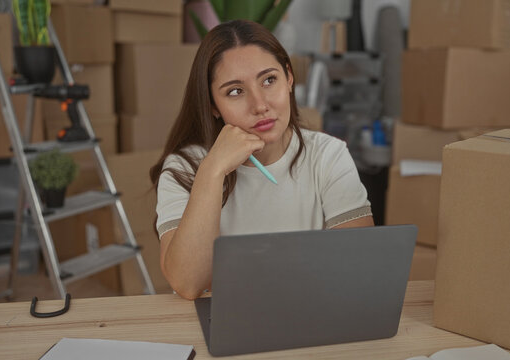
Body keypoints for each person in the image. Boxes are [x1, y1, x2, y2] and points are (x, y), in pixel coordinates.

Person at [150, 20, 374, 300]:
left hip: (308, 315)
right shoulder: (184, 166)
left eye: (269, 80)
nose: (259, 105)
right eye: (235, 91)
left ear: (289, 78)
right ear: (212, 105)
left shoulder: (329, 156)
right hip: (218, 324)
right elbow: (189, 283)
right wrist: (212, 170)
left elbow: (359, 268)